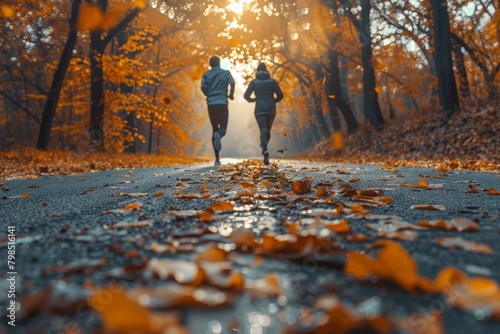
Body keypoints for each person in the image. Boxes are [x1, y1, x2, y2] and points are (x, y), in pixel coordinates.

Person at [243, 63, 283, 165]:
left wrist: (253, 100)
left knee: (262, 129)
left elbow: (246, 95)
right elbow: (280, 95)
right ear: (266, 70)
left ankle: (264, 149)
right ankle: (264, 147)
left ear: (257, 71)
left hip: (260, 109)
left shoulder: (254, 82)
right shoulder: (272, 81)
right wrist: (273, 101)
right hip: (270, 109)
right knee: (268, 130)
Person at [201, 56, 235, 166]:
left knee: (214, 129)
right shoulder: (226, 73)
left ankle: (217, 159)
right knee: (223, 129)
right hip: (223, 103)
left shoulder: (206, 74)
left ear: (210, 64)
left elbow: (202, 86)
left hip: (211, 104)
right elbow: (232, 82)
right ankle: (219, 136)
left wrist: (207, 93)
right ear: (219, 63)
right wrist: (231, 94)